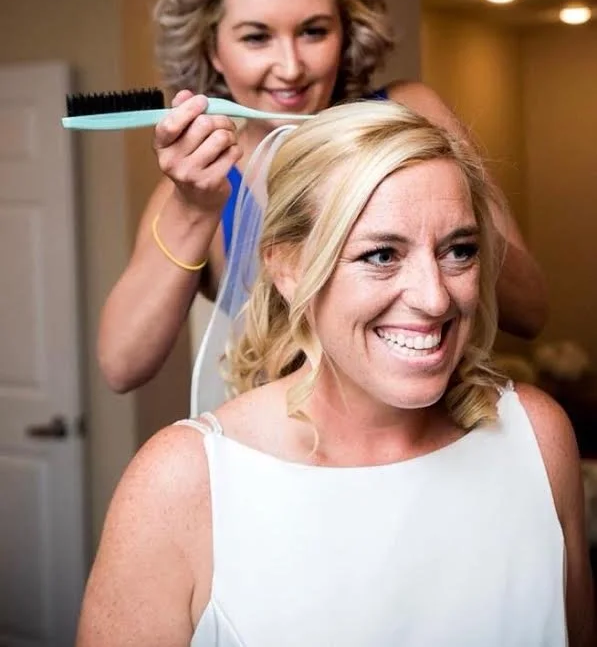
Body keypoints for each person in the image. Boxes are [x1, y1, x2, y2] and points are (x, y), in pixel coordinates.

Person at [78, 102, 592, 647]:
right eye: (381, 255)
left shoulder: (537, 438)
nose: (435, 297)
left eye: (459, 251)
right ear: (288, 267)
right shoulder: (182, 483)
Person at [97, 0, 547, 394]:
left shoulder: (410, 114)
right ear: (213, 49)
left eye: (313, 32)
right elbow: (121, 366)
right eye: (256, 37)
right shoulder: (199, 189)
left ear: (346, 31)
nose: (291, 67)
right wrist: (194, 210)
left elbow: (530, 311)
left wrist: (445, 220)